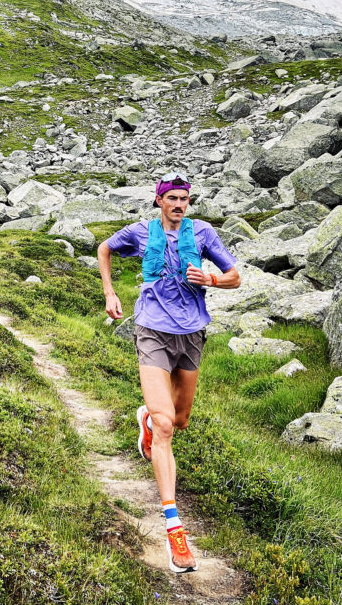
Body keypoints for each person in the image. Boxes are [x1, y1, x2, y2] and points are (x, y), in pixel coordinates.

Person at [97, 173, 240, 573]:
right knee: (165, 426)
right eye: (172, 198)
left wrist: (211, 278)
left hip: (191, 333)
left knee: (179, 420)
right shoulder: (140, 232)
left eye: (184, 199)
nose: (179, 204)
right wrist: (110, 292)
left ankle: (147, 419)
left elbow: (235, 277)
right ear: (159, 201)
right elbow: (104, 248)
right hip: (152, 330)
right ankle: (175, 530)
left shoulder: (203, 233)